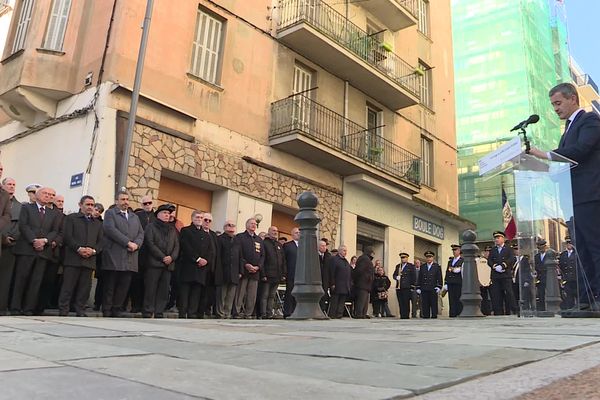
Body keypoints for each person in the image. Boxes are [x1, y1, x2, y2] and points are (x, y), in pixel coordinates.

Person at [528, 83, 600, 309]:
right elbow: (564, 167)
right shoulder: (566, 131)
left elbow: (580, 151)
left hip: (590, 195)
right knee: (583, 251)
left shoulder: (589, 120)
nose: (555, 109)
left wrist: (545, 153)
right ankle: (588, 299)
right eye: (553, 105)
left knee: (596, 247)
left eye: (558, 103)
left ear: (573, 99)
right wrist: (537, 166)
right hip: (572, 198)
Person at [10, 187, 61, 315]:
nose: (48, 196)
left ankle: (28, 308)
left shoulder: (55, 214)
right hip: (26, 249)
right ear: (37, 195)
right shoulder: (27, 208)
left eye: (51, 195)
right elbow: (23, 225)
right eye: (45, 193)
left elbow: (55, 231)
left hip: (43, 251)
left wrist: (44, 241)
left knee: (36, 281)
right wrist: (34, 240)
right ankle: (15, 307)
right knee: (21, 279)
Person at [101, 191, 144, 317]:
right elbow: (110, 229)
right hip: (114, 255)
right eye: (122, 199)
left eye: (127, 199)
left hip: (130, 257)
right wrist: (127, 242)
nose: (125, 202)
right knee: (110, 285)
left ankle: (117, 308)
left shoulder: (134, 217)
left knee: (124, 285)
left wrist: (136, 244)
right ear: (116, 201)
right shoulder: (110, 213)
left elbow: (141, 233)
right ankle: (107, 309)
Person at [58, 195, 103, 317]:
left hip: (89, 260)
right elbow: (68, 236)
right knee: (68, 286)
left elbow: (101, 242)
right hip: (73, 258)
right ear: (80, 205)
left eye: (92, 205)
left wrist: (93, 251)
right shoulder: (71, 218)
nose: (90, 207)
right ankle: (64, 309)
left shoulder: (98, 223)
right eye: (87, 204)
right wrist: (79, 248)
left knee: (84, 288)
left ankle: (80, 309)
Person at [142, 204, 179, 318]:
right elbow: (150, 243)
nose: (167, 215)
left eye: (168, 214)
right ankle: (148, 310)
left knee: (164, 290)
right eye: (164, 213)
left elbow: (176, 246)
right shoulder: (151, 227)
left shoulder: (172, 229)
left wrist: (171, 257)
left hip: (168, 265)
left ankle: (159, 311)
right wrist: (162, 257)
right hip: (154, 263)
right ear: (158, 214)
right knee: (151, 288)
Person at [130, 195, 156, 313]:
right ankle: (136, 305)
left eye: (149, 203)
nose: (147, 205)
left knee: (149, 282)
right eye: (145, 203)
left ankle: (147, 306)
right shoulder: (137, 216)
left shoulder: (157, 217)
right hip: (139, 252)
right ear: (141, 205)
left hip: (153, 255)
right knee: (137, 280)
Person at [233, 218, 264, 319]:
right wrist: (246, 264)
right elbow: (239, 253)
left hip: (255, 272)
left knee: (252, 295)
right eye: (251, 223)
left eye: (255, 224)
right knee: (240, 293)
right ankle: (236, 312)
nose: (254, 225)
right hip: (244, 270)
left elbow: (263, 256)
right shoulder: (240, 237)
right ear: (246, 225)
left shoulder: (259, 240)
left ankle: (248, 313)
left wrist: (258, 267)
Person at [0, 177, 21, 315]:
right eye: (9, 184)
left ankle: (1, 306)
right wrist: (3, 237)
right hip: (1, 239)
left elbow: (21, 225)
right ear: (3, 185)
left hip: (11, 245)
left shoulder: (20, 206)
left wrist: (11, 238)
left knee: (5, 279)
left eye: (14, 184)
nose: (12, 186)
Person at [259, 226, 286, 319]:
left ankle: (269, 312)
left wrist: (283, 274)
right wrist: (263, 274)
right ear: (269, 231)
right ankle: (263, 313)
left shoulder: (279, 245)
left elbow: (283, 260)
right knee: (265, 295)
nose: (275, 232)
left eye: (277, 231)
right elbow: (262, 259)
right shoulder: (264, 243)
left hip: (277, 275)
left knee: (272, 295)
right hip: (267, 274)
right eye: (273, 230)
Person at [487, 231, 516, 315]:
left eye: (498, 238)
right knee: (496, 294)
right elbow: (489, 261)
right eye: (495, 238)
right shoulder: (493, 250)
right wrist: (494, 266)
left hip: (505, 275)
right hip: (495, 275)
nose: (496, 240)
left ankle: (513, 310)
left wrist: (503, 265)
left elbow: (511, 259)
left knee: (509, 293)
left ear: (503, 239)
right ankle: (498, 311)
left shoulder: (508, 249)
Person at [216, 220, 240, 318]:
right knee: (222, 294)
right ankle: (220, 313)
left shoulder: (237, 240)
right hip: (223, 270)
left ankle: (227, 313)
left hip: (234, 272)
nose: (231, 227)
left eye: (233, 226)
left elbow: (240, 256)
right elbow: (218, 256)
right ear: (224, 227)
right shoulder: (220, 239)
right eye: (228, 225)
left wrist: (240, 271)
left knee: (230, 295)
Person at [416, 251, 442, 319]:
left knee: (433, 303)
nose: (429, 259)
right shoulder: (423, 266)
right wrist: (418, 287)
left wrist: (439, 286)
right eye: (427, 257)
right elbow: (420, 277)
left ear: (433, 258)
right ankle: (426, 315)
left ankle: (434, 315)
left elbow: (439, 277)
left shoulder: (437, 266)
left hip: (433, 287)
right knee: (425, 303)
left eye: (430, 257)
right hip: (424, 287)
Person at [329, 245, 352, 319]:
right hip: (337, 285)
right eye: (344, 250)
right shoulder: (334, 259)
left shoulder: (346, 261)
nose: (345, 252)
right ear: (339, 251)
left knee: (342, 301)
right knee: (335, 300)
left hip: (345, 285)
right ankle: (333, 314)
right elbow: (332, 272)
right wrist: (332, 283)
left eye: (346, 251)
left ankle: (339, 314)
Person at [352, 247, 375, 319]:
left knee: (365, 300)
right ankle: (359, 314)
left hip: (366, 283)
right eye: (372, 252)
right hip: (363, 283)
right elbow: (359, 270)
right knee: (361, 299)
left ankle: (363, 314)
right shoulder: (364, 259)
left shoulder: (366, 259)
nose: (373, 254)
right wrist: (367, 277)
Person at [392, 252, 416, 319]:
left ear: (407, 258)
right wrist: (396, 277)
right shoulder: (398, 266)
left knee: (406, 302)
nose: (403, 259)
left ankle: (406, 315)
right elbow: (394, 275)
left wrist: (412, 286)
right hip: (399, 287)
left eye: (404, 258)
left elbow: (413, 277)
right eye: (402, 258)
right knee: (400, 302)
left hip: (407, 287)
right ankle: (402, 315)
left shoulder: (411, 266)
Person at [511, 243, 533, 313]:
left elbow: (527, 270)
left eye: (517, 249)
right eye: (515, 249)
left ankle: (525, 309)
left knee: (524, 297)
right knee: (515, 296)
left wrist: (526, 281)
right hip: (514, 281)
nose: (516, 251)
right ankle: (517, 310)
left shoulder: (525, 259)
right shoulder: (514, 259)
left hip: (522, 281)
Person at [282, 227, 299, 317]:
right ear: (292, 234)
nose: (298, 234)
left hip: (301, 275)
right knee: (290, 293)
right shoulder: (288, 245)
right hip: (291, 273)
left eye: (299, 232)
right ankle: (288, 312)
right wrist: (284, 272)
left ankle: (297, 311)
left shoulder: (304, 245)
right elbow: (284, 260)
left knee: (299, 294)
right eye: (296, 232)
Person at [444, 244, 464, 317]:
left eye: (455, 250)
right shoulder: (450, 261)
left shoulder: (462, 260)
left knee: (458, 298)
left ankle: (459, 313)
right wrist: (445, 282)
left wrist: (457, 269)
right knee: (451, 299)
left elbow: (462, 271)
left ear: (459, 251)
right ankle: (452, 314)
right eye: (453, 250)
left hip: (458, 282)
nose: (454, 252)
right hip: (450, 282)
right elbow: (447, 272)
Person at [559, 236, 577, 309]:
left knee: (577, 294)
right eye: (567, 243)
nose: (569, 244)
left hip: (575, 278)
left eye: (570, 242)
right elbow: (561, 266)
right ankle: (570, 308)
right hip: (567, 278)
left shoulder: (576, 253)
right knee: (569, 295)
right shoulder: (563, 254)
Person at [477, 246, 493, 315]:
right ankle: (485, 311)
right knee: (484, 298)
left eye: (489, 251)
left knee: (493, 297)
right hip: (482, 283)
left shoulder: (493, 261)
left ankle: (492, 311)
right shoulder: (480, 261)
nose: (488, 253)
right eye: (486, 251)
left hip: (491, 282)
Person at [318, 239, 332, 314]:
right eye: (322, 246)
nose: (324, 247)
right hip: (317, 279)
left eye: (325, 246)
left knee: (324, 295)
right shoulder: (315, 255)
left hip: (325, 280)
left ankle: (322, 310)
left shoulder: (328, 256)